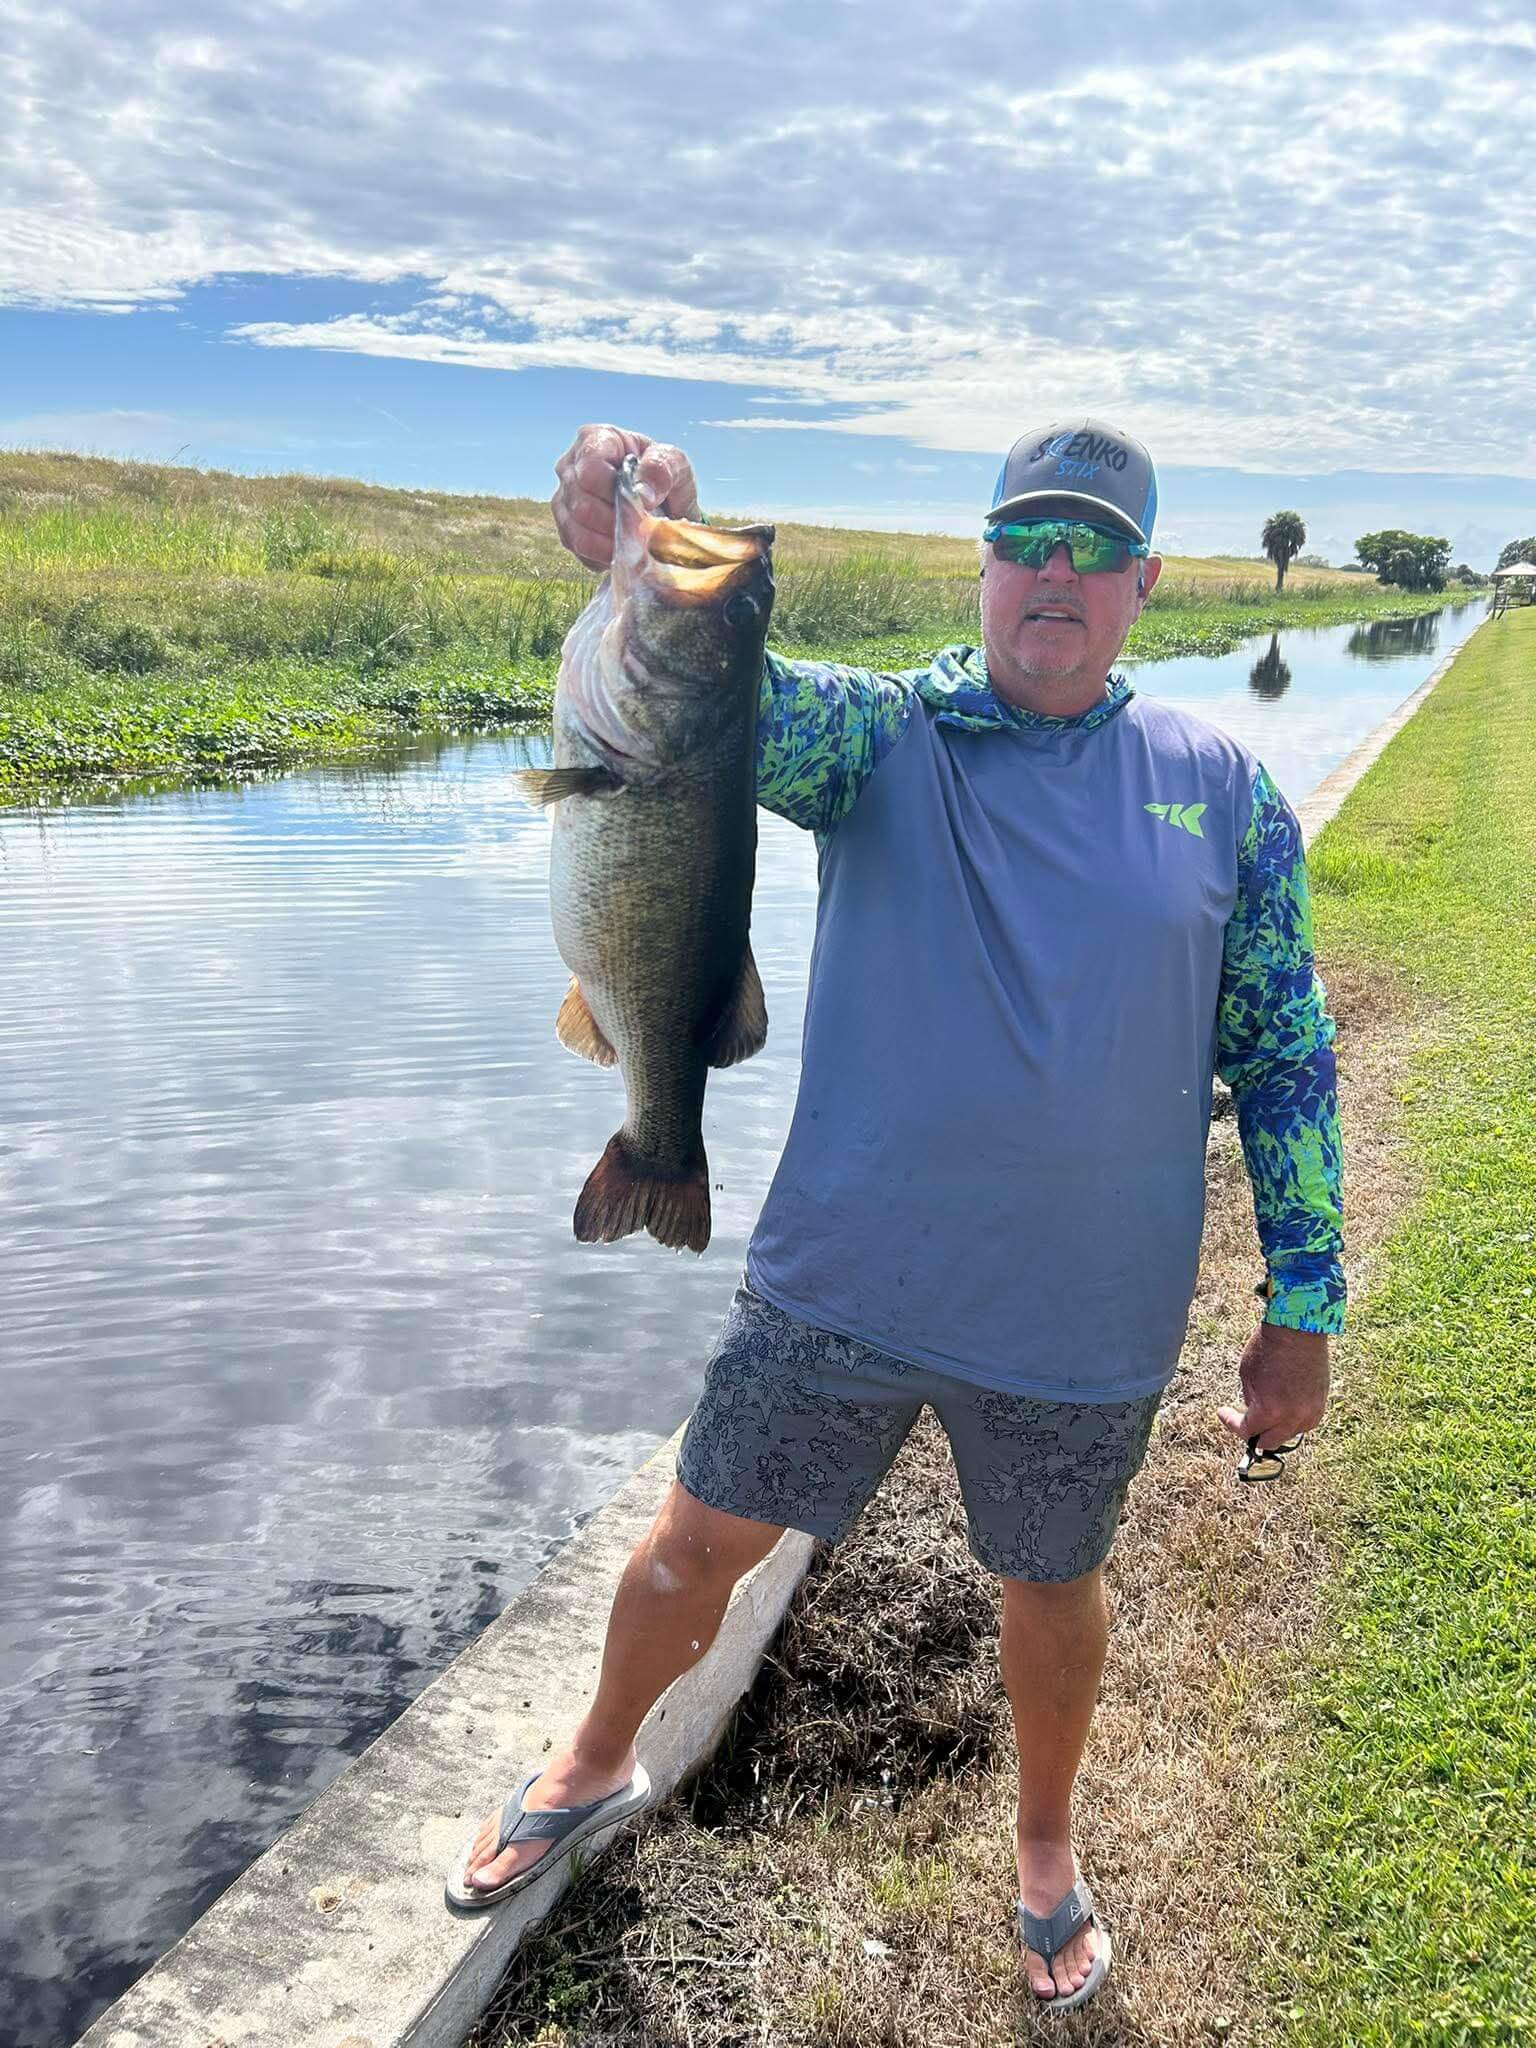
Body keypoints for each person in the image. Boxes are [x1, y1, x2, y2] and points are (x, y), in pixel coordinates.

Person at [447, 419, 1344, 2012]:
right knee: (694, 1541)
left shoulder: (1227, 795)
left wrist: (1304, 1305)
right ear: (984, 566)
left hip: (1087, 1316)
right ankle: (590, 1759)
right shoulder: (878, 743)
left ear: (1144, 580)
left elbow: (1284, 1054)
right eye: (1025, 541)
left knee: (1050, 1589)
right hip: (840, 1279)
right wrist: (642, 552)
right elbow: (704, 719)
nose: (1052, 574)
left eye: (1090, 548)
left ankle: (1046, 1855)